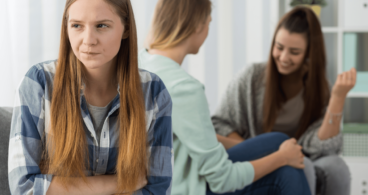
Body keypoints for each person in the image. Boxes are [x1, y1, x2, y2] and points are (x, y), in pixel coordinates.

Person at [140, 0, 311, 194]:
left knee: (279, 145)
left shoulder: (140, 61)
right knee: (284, 163)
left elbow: (186, 138)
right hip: (181, 187)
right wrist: (282, 157)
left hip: (164, 178)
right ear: (198, 25)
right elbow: (222, 180)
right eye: (209, 22)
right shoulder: (184, 89)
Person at [8, 0, 173, 194]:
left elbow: (157, 189)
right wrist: (118, 183)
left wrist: (57, 186)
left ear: (126, 28)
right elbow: (24, 187)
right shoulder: (38, 84)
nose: (88, 40)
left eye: (102, 26)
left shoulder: (153, 92)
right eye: (77, 25)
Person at [212, 6, 355, 195]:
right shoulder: (251, 78)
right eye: (279, 48)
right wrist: (259, 150)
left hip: (303, 154)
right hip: (260, 157)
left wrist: (338, 97)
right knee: (303, 169)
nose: (284, 57)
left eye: (294, 52)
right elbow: (220, 124)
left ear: (309, 53)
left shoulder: (321, 88)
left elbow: (326, 147)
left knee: (336, 167)